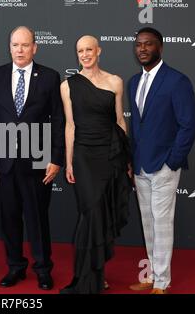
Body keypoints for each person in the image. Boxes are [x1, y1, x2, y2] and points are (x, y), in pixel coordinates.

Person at [0, 26, 64, 290]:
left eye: (25, 45)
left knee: (37, 218)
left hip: (38, 162)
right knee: (8, 218)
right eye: (15, 45)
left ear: (35, 47)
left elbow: (59, 120)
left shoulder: (50, 77)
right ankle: (15, 268)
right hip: (4, 161)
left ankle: (43, 269)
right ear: (9, 47)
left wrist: (56, 158)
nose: (20, 50)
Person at [128, 27, 195, 294]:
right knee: (147, 222)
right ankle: (150, 276)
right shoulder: (134, 82)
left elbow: (189, 125)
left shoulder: (177, 81)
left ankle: (162, 283)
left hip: (164, 167)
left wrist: (173, 161)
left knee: (162, 223)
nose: (142, 49)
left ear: (160, 47)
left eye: (148, 44)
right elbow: (138, 127)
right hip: (140, 165)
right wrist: (132, 159)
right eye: (139, 45)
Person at [59, 35, 131, 294]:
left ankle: (98, 274)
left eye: (89, 49)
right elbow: (70, 126)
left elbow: (120, 121)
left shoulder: (115, 82)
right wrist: (68, 163)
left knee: (100, 213)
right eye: (80, 51)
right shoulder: (68, 86)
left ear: (98, 50)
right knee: (90, 212)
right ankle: (86, 276)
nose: (85, 54)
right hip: (83, 157)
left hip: (110, 154)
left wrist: (127, 158)